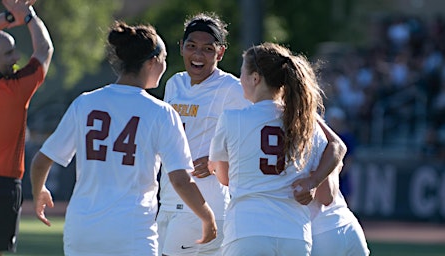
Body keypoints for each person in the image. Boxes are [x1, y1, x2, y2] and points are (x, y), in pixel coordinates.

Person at [30, 21, 216, 256]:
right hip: (131, 233)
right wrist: (207, 216)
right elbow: (180, 179)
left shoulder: (85, 102)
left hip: (82, 231)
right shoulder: (161, 113)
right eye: (164, 58)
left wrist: (39, 192)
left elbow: (41, 160)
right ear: (152, 61)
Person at [209, 43, 346, 256]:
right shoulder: (302, 123)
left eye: (242, 73)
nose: (240, 79)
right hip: (294, 234)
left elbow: (224, 178)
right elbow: (336, 148)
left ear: (255, 78)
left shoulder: (231, 119)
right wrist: (312, 181)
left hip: (247, 231)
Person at [156, 12, 250, 256]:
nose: (198, 55)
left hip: (203, 203)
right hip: (167, 198)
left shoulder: (232, 88)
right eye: (192, 46)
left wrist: (214, 162)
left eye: (208, 48)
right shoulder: (174, 83)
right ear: (181, 48)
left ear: (220, 52)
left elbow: (252, 137)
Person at [0, 0, 53, 255]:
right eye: (9, 54)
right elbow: (45, 49)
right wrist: (27, 17)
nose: (16, 58)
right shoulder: (16, 89)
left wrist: (7, 17)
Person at [308, 157, 370, 256]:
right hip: (348, 225)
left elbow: (326, 197)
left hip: (321, 233)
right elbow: (339, 151)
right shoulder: (328, 144)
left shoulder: (313, 145)